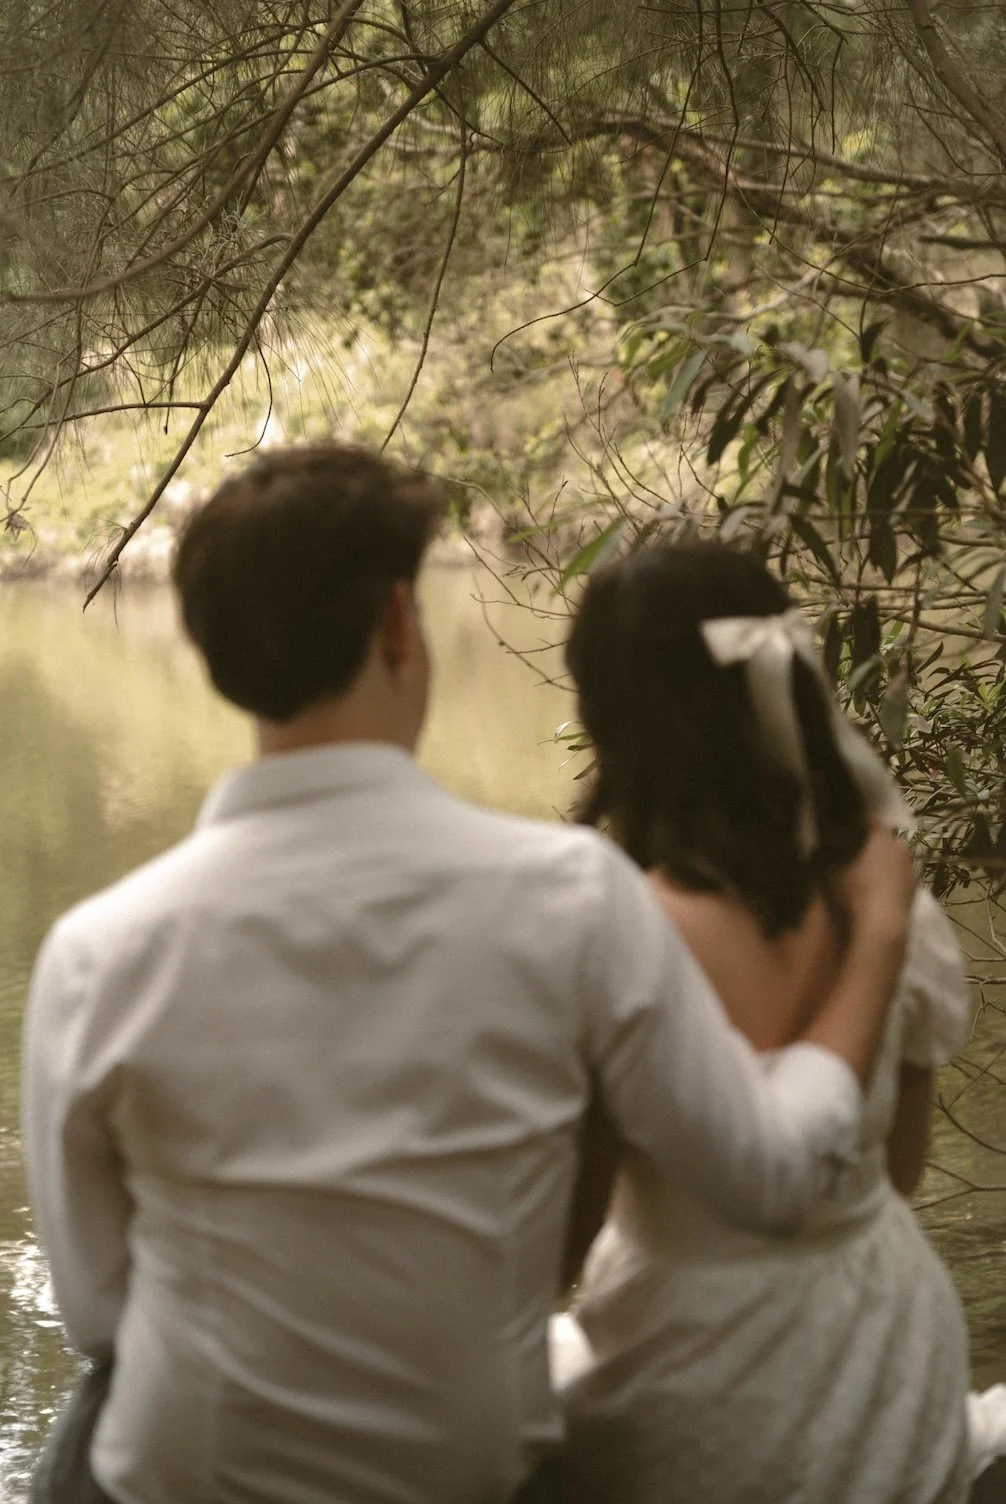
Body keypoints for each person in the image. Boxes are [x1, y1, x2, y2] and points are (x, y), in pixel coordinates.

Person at [22, 446, 915, 1504]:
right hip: (459, 1478)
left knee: (95, 1415)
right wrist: (878, 937)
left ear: (217, 658)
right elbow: (768, 1178)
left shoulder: (98, 951)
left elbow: (98, 1312)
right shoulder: (573, 897)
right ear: (400, 624)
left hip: (188, 1482)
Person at [553, 541, 974, 1504]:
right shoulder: (888, 903)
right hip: (892, 1346)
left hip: (699, 1367)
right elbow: (898, 1172)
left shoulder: (621, 933)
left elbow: (568, 1235)